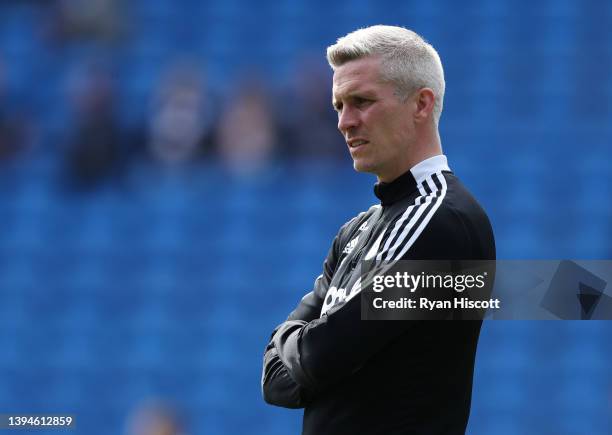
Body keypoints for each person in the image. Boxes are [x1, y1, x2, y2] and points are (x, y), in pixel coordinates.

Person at [261, 25, 495, 435]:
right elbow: (274, 382)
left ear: (421, 104)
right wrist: (306, 347)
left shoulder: (442, 221)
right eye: (338, 106)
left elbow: (319, 358)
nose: (344, 123)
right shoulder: (355, 232)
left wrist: (292, 338)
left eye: (361, 102)